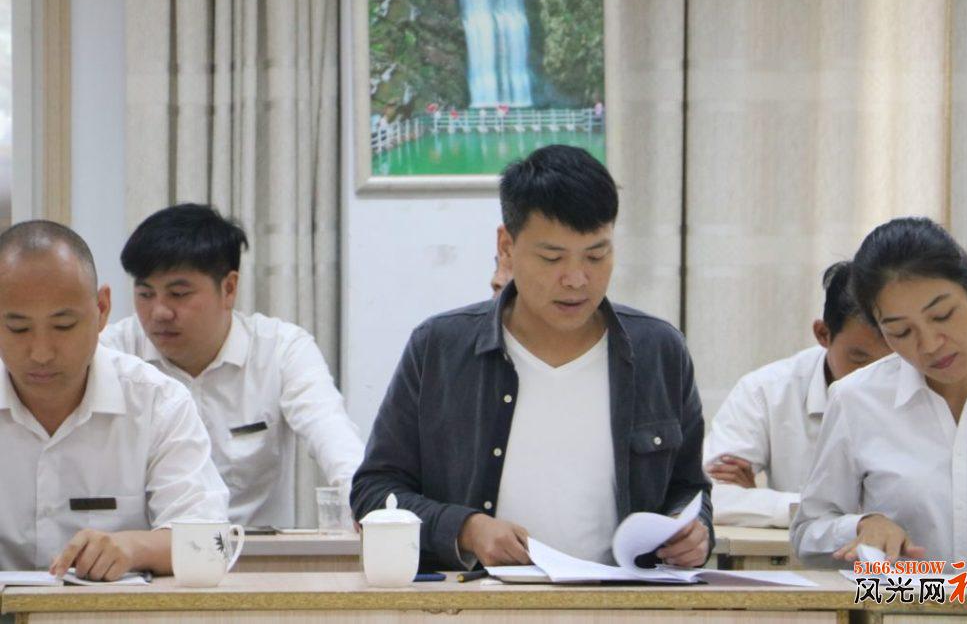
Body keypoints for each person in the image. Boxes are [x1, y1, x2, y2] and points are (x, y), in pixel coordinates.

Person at [351, 145, 713, 570]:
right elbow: (374, 492)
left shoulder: (659, 351)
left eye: (596, 256)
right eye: (552, 258)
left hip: (620, 598)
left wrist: (695, 532)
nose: (576, 279)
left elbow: (689, 488)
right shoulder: (440, 348)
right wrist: (466, 528)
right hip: (480, 600)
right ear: (506, 246)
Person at [101, 204, 364, 528]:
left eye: (178, 294)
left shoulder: (281, 350)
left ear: (228, 288)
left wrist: (366, 504)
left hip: (256, 553)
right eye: (145, 294)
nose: (159, 312)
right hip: (152, 552)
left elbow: (334, 437)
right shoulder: (114, 352)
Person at [0, 221, 228, 578]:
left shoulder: (157, 402)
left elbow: (210, 542)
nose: (41, 352)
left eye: (63, 325)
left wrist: (134, 547)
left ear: (102, 309)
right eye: (18, 328)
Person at [792, 216, 967, 565]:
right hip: (903, 600)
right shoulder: (857, 399)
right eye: (900, 332)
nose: (930, 345)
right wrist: (862, 526)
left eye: (942, 315)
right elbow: (807, 533)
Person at [704, 261, 891, 527]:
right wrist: (817, 512)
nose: (874, 376)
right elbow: (712, 496)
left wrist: (760, 501)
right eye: (859, 359)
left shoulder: (927, 385)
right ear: (823, 334)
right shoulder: (766, 390)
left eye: (892, 362)